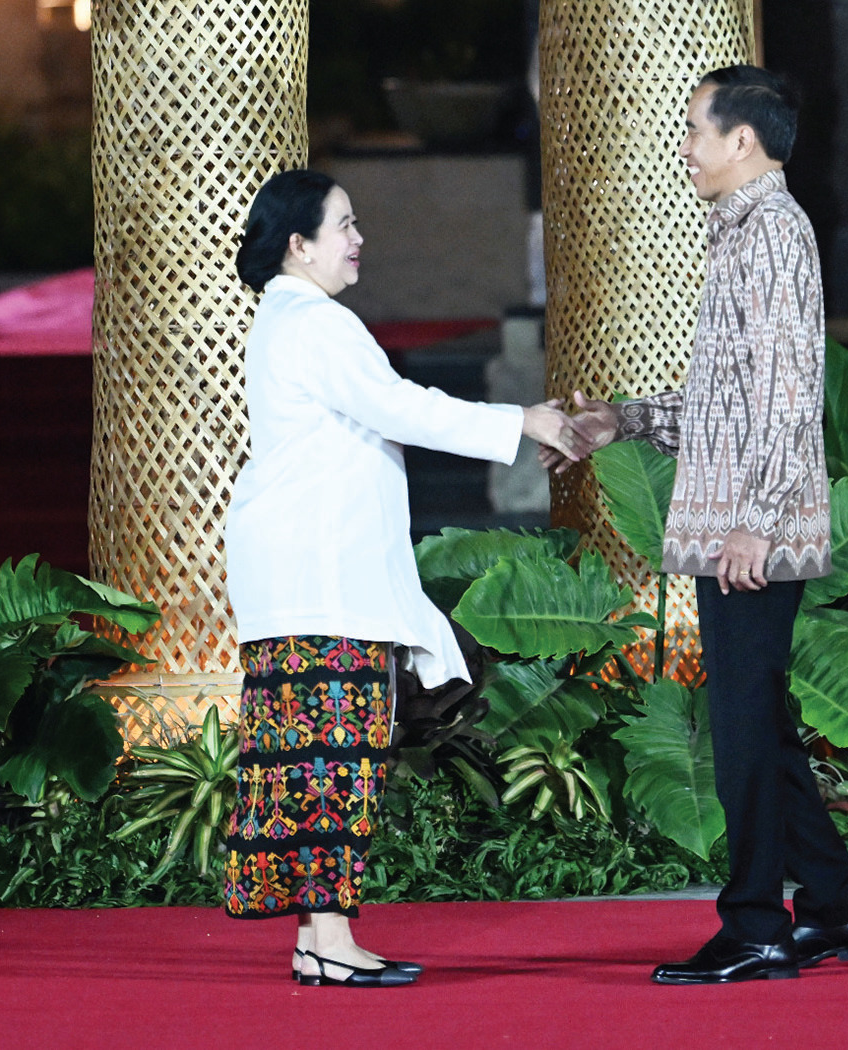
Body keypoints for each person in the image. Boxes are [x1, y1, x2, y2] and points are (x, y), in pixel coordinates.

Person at [544, 65, 848, 984]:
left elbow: (785, 394)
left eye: (696, 129)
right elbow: (724, 402)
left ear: (743, 141)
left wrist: (757, 523)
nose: (685, 146)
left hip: (748, 529)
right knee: (758, 725)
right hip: (736, 517)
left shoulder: (771, 231)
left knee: (738, 729)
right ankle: (837, 914)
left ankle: (756, 930)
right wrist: (623, 419)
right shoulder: (742, 232)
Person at [221, 169, 584, 987]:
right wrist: (521, 419)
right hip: (319, 580)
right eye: (343, 225)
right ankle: (326, 939)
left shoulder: (293, 317)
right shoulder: (315, 323)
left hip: (312, 576)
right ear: (298, 243)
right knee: (332, 756)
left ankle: (326, 937)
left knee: (323, 756)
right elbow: (404, 408)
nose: (357, 239)